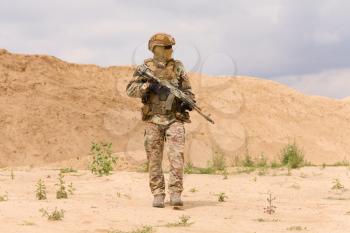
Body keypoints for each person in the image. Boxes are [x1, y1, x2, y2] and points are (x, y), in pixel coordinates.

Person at [126, 33, 195, 208]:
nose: (171, 50)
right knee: (154, 159)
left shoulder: (178, 67)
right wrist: (149, 86)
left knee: (177, 157)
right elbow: (130, 89)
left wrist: (187, 102)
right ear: (156, 48)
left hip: (174, 119)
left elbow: (188, 91)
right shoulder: (145, 68)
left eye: (171, 47)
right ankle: (158, 193)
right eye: (167, 47)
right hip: (153, 120)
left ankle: (175, 193)